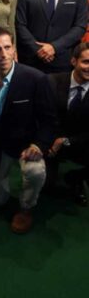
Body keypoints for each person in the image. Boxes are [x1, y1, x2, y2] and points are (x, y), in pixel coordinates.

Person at [0, 26, 55, 234]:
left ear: (14, 49)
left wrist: (39, 144)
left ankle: (26, 207)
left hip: (27, 146)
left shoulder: (35, 79)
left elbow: (50, 120)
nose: (3, 54)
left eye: (8, 47)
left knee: (35, 172)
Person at [48, 42, 89, 206]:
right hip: (50, 142)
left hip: (80, 142)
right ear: (73, 61)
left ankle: (76, 177)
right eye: (86, 62)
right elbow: (43, 118)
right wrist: (52, 140)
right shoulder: (52, 81)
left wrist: (66, 141)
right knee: (45, 185)